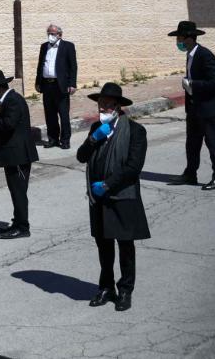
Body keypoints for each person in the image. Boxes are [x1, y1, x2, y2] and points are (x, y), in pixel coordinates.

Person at [76, 83, 149, 312]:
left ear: (118, 107)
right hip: (98, 198)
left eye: (108, 105)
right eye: (101, 104)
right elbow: (81, 156)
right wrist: (93, 139)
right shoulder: (97, 128)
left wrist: (107, 184)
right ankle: (106, 287)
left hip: (121, 196)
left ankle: (125, 290)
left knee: (125, 246)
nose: (103, 108)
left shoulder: (136, 131)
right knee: (103, 245)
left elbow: (133, 167)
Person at [0, 70, 38, 239]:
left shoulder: (13, 101)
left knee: (19, 192)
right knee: (15, 191)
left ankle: (23, 227)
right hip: (12, 155)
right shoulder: (9, 100)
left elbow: (8, 124)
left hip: (18, 156)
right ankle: (17, 222)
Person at [168, 21, 215, 190]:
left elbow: (214, 83)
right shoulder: (190, 54)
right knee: (192, 142)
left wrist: (192, 83)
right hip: (195, 108)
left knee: (211, 142)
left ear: (189, 38)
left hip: (208, 108)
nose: (177, 41)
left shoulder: (205, 55)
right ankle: (190, 174)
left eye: (179, 37)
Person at [34, 24, 78, 149]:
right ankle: (53, 139)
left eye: (52, 33)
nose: (50, 36)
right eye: (48, 33)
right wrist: (38, 82)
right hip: (47, 85)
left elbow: (73, 66)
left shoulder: (68, 46)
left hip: (61, 85)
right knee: (50, 114)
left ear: (60, 35)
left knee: (63, 114)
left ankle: (65, 140)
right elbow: (40, 65)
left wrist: (72, 84)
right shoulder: (44, 47)